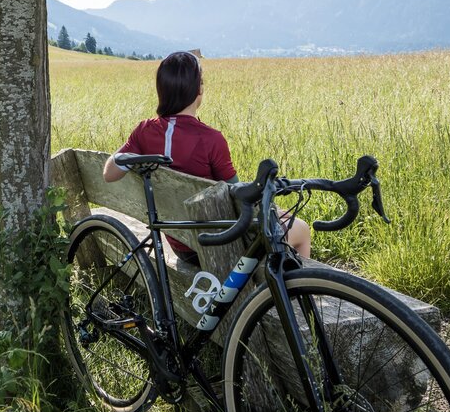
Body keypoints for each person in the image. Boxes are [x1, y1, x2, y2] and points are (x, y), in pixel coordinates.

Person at [103, 50, 311, 263]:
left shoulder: (144, 131)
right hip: (217, 245)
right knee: (302, 229)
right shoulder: (210, 139)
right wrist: (271, 206)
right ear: (198, 89)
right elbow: (238, 198)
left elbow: (109, 173)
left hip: (180, 244)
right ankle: (297, 283)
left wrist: (133, 154)